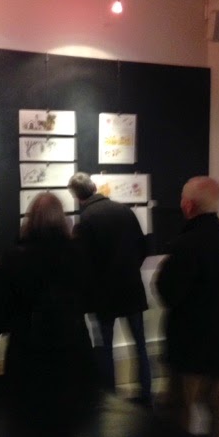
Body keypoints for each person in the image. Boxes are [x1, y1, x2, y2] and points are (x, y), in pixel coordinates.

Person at [154, 176, 219, 437]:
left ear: (188, 206)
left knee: (181, 415)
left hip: (191, 349)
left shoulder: (185, 246)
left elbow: (168, 293)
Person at [0, 192, 98, 436]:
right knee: (69, 420)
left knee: (28, 420)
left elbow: (2, 306)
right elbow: (89, 298)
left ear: (31, 219)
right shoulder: (76, 253)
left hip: (27, 348)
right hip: (71, 344)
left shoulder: (15, 256)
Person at [67, 172, 152, 406]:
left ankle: (111, 401)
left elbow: (84, 262)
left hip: (103, 294)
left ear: (76, 196)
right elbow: (143, 247)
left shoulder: (86, 219)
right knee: (140, 345)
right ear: (94, 187)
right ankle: (146, 395)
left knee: (105, 348)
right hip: (131, 288)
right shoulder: (124, 211)